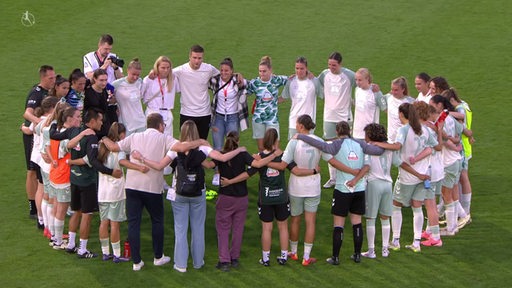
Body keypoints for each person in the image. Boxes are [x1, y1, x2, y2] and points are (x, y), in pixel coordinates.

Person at [130, 120, 245, 273]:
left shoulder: (175, 147)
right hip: (198, 193)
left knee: (180, 229)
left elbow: (159, 166)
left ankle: (181, 264)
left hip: (179, 193)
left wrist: (141, 158)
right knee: (198, 229)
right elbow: (221, 158)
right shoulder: (202, 147)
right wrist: (240, 150)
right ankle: (198, 262)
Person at [101, 114, 208, 272]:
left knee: (134, 224)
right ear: (160, 126)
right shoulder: (164, 138)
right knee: (157, 221)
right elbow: (183, 148)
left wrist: (103, 137)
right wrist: (200, 141)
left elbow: (114, 147)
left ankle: (136, 262)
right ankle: (158, 257)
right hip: (152, 188)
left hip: (132, 187)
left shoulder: (134, 137)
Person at [296, 121, 383, 265]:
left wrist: (301, 136)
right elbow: (379, 151)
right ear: (349, 130)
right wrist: (384, 144)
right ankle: (357, 255)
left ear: (337, 132)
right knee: (357, 222)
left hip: (343, 189)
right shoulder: (360, 144)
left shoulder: (336, 145)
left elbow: (321, 145)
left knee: (339, 224)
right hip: (359, 188)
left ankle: (335, 257)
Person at [371, 103, 438, 253]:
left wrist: (378, 143)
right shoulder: (425, 130)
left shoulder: (403, 130)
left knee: (396, 205)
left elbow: (397, 148)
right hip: (424, 176)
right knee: (417, 207)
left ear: (402, 114)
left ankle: (395, 240)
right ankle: (416, 242)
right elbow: (435, 147)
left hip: (408, 177)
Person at [212, 131, 280, 271]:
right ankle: (234, 258)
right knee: (238, 229)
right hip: (241, 198)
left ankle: (224, 261)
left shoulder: (220, 155)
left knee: (223, 230)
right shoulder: (242, 154)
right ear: (238, 140)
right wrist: (274, 155)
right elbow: (259, 164)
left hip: (225, 197)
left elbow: (208, 165)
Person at [269, 115, 329, 266]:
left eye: (297, 123)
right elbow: (330, 158)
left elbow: (283, 165)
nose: (295, 126)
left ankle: (294, 252)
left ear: (301, 126)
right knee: (311, 222)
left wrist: (262, 162)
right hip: (313, 187)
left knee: (295, 219)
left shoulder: (294, 142)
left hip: (296, 187)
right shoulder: (319, 141)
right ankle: (306, 257)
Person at [97, 122, 148, 263]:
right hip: (115, 192)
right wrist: (139, 167)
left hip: (102, 192)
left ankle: (105, 253)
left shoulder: (101, 147)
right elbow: (123, 162)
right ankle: (117, 254)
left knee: (103, 222)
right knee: (114, 224)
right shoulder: (118, 149)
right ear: (121, 134)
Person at [360, 123, 400, 259]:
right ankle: (385, 249)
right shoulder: (388, 148)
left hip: (373, 184)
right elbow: (397, 162)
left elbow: (366, 165)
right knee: (385, 218)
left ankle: (371, 251)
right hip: (388, 184)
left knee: (370, 218)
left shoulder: (369, 149)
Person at [22, 65, 56, 220]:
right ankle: (32, 207)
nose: (53, 80)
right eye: (50, 78)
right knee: (32, 171)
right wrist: (41, 125)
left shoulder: (48, 92)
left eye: (54, 77)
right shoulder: (36, 93)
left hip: (41, 135)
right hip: (33, 137)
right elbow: (27, 113)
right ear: (43, 78)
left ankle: (42, 205)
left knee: (41, 172)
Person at [317, 52, 355, 188]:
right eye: (329, 65)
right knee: (329, 147)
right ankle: (333, 178)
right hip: (328, 117)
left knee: (345, 147)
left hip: (344, 117)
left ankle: (347, 176)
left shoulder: (349, 75)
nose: (331, 67)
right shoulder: (324, 74)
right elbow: (316, 83)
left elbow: (363, 82)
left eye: (334, 65)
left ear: (340, 64)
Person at [208, 57, 248, 186]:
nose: (224, 73)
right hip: (218, 117)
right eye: (222, 70)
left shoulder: (238, 81)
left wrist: (239, 76)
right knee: (218, 146)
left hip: (233, 117)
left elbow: (249, 85)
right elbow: (201, 81)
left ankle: (232, 172)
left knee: (232, 145)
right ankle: (217, 173)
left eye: (227, 71)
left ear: (232, 71)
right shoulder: (214, 80)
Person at [429, 95, 464, 236]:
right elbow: (459, 133)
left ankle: (451, 228)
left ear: (438, 105)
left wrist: (441, 133)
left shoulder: (440, 121)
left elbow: (442, 139)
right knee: (451, 195)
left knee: (446, 196)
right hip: (456, 161)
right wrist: (453, 141)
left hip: (448, 163)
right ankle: (454, 224)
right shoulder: (450, 118)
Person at [412, 102, 444, 247]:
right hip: (437, 170)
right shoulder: (430, 127)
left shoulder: (424, 130)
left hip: (429, 171)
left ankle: (436, 238)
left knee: (429, 204)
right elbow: (439, 146)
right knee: (432, 203)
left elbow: (436, 147)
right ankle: (430, 231)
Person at [173, 45, 220, 140]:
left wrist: (236, 75)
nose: (197, 61)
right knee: (186, 145)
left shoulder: (209, 69)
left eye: (199, 58)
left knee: (201, 145)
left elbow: (224, 76)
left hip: (205, 114)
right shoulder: (180, 70)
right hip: (187, 114)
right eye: (194, 58)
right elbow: (164, 73)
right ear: (189, 57)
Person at [443, 88, 473, 226]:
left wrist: (447, 112)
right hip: (462, 148)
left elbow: (463, 126)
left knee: (459, 181)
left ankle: (464, 214)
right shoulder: (464, 105)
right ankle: (458, 215)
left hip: (460, 150)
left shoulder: (458, 110)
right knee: (456, 183)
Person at [29, 96, 59, 231]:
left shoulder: (39, 120)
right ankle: (48, 226)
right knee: (48, 194)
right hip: (45, 160)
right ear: (53, 108)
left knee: (41, 189)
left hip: (36, 158)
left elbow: (30, 130)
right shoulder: (50, 123)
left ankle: (42, 221)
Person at [246, 56, 288, 152]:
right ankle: (263, 167)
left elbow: (291, 81)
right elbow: (245, 93)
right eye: (260, 71)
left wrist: (284, 97)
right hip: (258, 118)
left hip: (272, 118)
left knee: (274, 147)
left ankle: (275, 167)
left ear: (270, 70)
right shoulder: (255, 82)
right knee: (261, 148)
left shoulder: (276, 79)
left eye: (264, 71)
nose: (262, 74)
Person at [280, 56, 323, 140]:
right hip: (294, 122)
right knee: (294, 147)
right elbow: (283, 98)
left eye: (302, 68)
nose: (299, 71)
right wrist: (266, 100)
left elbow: (324, 96)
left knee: (307, 148)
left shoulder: (314, 81)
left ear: (306, 68)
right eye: (297, 68)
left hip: (308, 122)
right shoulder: (291, 81)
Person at [143, 56, 178, 137]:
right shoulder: (149, 79)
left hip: (167, 114)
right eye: (163, 68)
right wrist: (149, 79)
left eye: (168, 68)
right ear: (157, 67)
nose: (166, 70)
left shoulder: (173, 79)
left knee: (167, 142)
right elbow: (140, 94)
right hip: (152, 112)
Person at [112, 58, 146, 135]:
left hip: (141, 123)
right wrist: (114, 105)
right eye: (133, 74)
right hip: (126, 124)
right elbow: (108, 98)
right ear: (127, 71)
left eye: (138, 75)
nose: (135, 77)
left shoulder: (140, 81)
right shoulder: (117, 84)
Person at [352, 68, 386, 140]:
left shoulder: (375, 92)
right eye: (356, 80)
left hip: (370, 134)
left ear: (367, 79)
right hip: (356, 132)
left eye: (360, 80)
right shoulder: (357, 90)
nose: (357, 82)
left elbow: (385, 109)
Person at [84, 69, 118, 138]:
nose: (104, 83)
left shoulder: (105, 92)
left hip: (104, 125)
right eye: (101, 80)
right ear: (95, 79)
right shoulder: (88, 92)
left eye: (106, 80)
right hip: (93, 125)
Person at [384, 76, 415, 143]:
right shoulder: (389, 98)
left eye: (396, 90)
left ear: (403, 89)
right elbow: (379, 100)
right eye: (392, 89)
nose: (393, 92)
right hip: (391, 139)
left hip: (405, 139)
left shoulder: (410, 102)